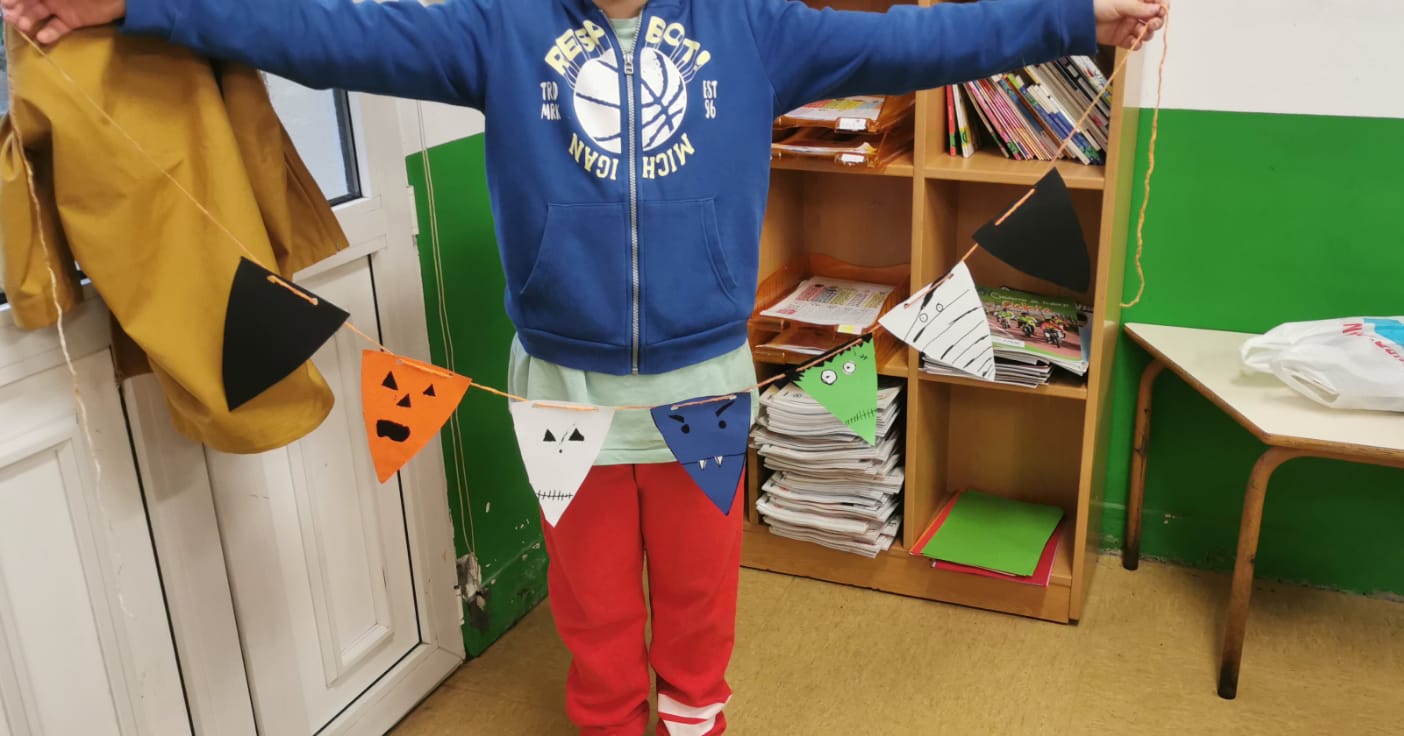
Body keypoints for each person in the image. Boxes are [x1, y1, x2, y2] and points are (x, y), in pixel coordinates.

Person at [4, 0, 1164, 733]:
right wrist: (143, 6)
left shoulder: (755, 27)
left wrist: (1078, 17)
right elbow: (327, 32)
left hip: (705, 388)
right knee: (595, 600)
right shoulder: (496, 29)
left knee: (701, 597)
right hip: (560, 390)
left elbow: (924, 40)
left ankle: (694, 716)